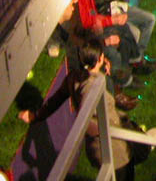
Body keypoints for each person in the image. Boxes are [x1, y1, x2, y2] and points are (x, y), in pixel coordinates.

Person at [24, 41, 136, 181]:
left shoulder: (74, 77)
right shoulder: (92, 88)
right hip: (114, 149)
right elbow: (86, 120)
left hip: (100, 147)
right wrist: (107, 128)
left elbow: (55, 101)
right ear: (100, 58)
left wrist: (36, 116)